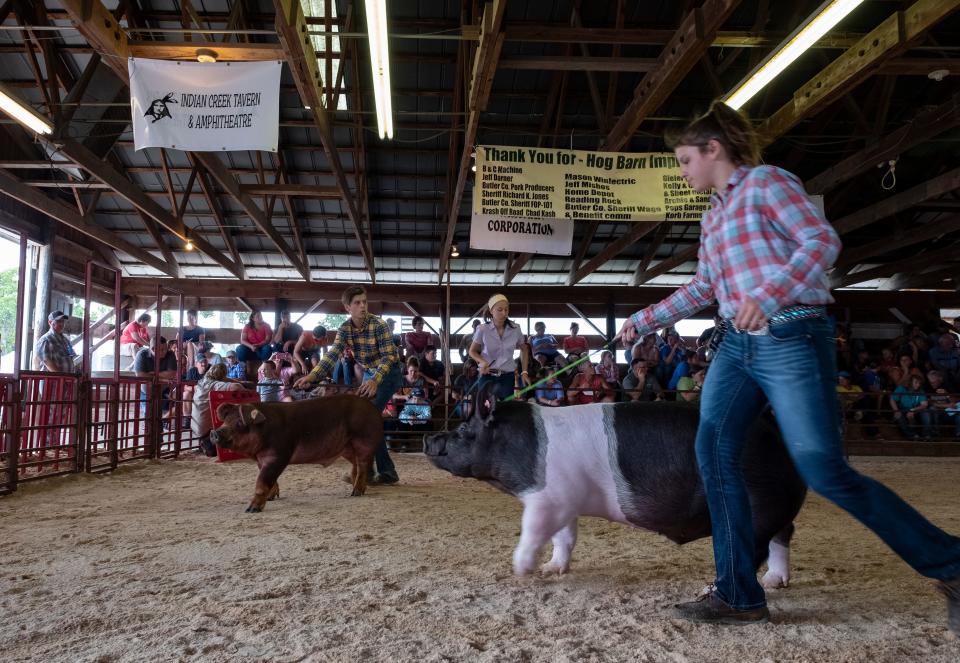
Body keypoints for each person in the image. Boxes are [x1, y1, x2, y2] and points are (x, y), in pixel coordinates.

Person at [617, 100, 960, 629]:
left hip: (791, 333)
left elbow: (822, 240)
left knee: (823, 468)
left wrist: (770, 293)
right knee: (713, 454)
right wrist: (643, 319)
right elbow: (705, 287)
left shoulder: (768, 183)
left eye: (685, 160)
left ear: (714, 150)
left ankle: (951, 563)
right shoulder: (713, 216)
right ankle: (737, 592)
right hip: (735, 344)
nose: (682, 172)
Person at [294, 285, 403, 485]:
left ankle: (372, 472)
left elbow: (388, 358)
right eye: (357, 303)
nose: (363, 306)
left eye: (365, 302)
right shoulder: (344, 329)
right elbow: (333, 354)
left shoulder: (379, 325)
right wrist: (312, 376)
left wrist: (374, 380)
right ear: (347, 308)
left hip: (389, 373)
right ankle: (379, 472)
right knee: (366, 420)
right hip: (371, 373)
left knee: (366, 418)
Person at [468, 294, 531, 400]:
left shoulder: (516, 328)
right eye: (500, 309)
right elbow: (472, 351)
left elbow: (524, 349)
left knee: (504, 410)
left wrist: (524, 372)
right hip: (487, 375)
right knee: (485, 409)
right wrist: (482, 362)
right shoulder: (482, 329)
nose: (504, 313)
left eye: (506, 310)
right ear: (491, 310)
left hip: (508, 376)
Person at [190, 363, 243, 456]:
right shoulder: (214, 384)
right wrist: (244, 387)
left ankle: (205, 443)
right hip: (206, 428)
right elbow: (236, 387)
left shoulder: (202, 381)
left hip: (196, 426)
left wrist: (228, 379)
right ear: (222, 376)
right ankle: (207, 443)